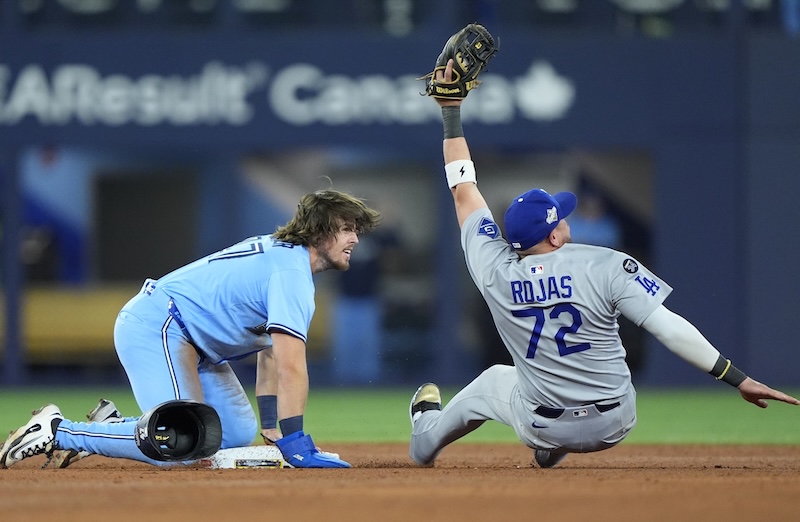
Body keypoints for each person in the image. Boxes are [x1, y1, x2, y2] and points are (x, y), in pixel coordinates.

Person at [408, 60, 800, 469]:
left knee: (494, 379)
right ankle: (550, 448)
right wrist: (737, 378)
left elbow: (463, 190)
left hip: (543, 422)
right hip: (616, 421)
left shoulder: (495, 270)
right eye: (561, 216)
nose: (566, 218)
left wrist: (450, 110)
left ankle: (425, 439)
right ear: (555, 235)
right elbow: (668, 327)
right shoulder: (607, 264)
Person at [1, 189, 381, 469]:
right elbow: (291, 367)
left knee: (229, 435)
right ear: (319, 231)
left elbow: (269, 354)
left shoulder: (289, 262)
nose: (355, 239)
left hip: (195, 345)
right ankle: (56, 430)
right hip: (159, 325)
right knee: (180, 448)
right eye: (347, 229)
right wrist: (297, 441)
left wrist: (272, 428)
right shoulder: (290, 272)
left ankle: (116, 428)